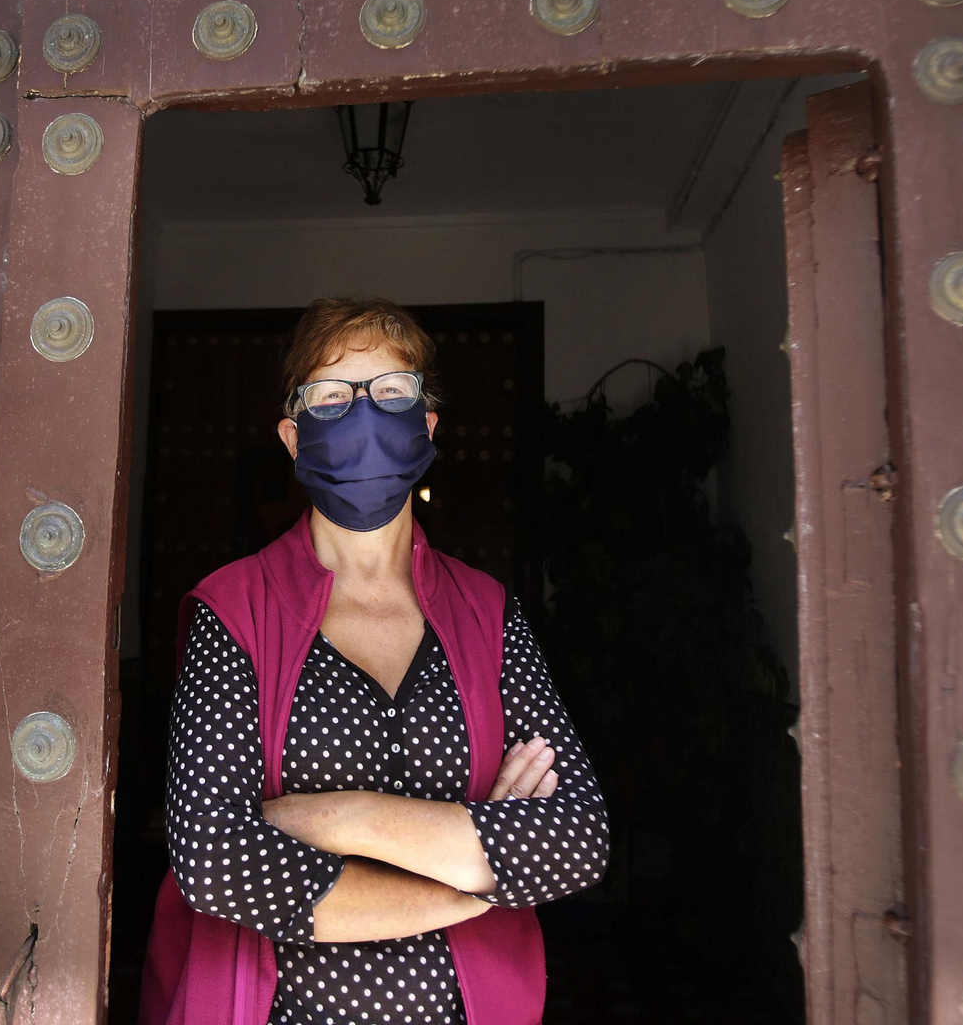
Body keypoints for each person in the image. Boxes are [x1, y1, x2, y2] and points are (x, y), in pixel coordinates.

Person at [137, 297, 609, 1025]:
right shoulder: (230, 609)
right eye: (332, 396)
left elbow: (575, 839)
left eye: (391, 392)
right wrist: (477, 877)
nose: (362, 415)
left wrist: (336, 817)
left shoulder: (490, 613)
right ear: (294, 439)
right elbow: (213, 858)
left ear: (426, 427)